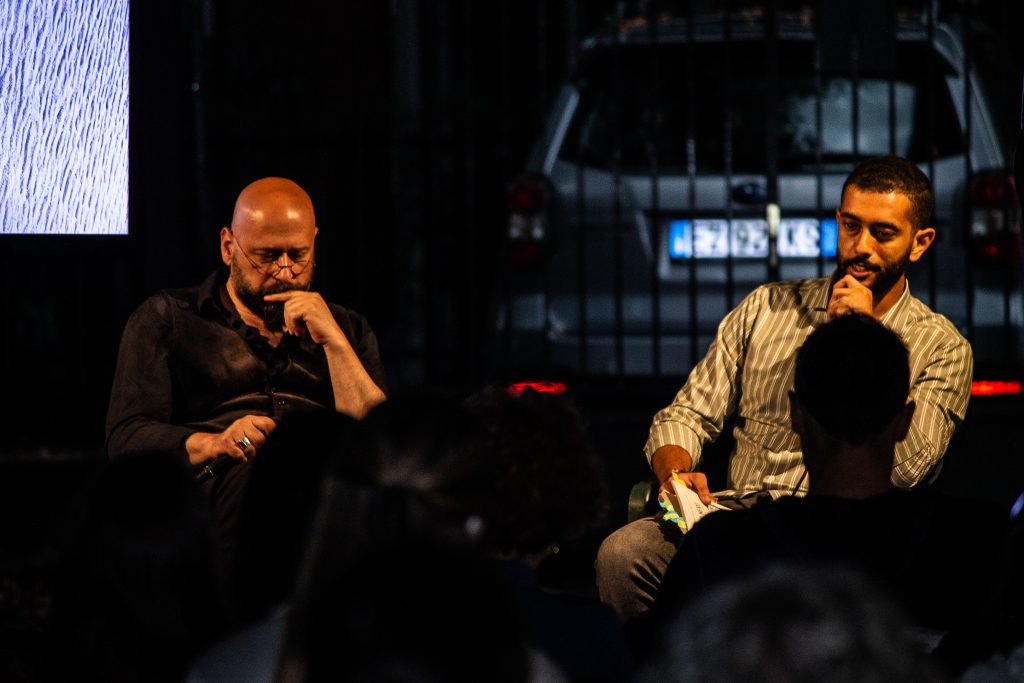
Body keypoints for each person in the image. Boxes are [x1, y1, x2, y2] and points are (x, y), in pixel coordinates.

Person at [596, 155, 973, 621]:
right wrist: (675, 476)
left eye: (883, 233)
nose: (861, 247)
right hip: (746, 520)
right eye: (851, 226)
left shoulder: (942, 348)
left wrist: (863, 337)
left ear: (920, 243)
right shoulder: (766, 309)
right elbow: (685, 415)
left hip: (857, 531)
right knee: (624, 555)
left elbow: (907, 469)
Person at [635, 315, 1005, 667]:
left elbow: (654, 656)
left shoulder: (723, 547)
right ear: (905, 420)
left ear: (796, 413)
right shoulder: (973, 542)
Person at [105, 177, 387, 547]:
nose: (285, 272)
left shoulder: (347, 329)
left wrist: (335, 343)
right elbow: (126, 438)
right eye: (267, 257)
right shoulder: (168, 319)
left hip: (323, 496)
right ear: (228, 247)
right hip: (220, 493)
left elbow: (383, 444)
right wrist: (216, 442)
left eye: (298, 256)